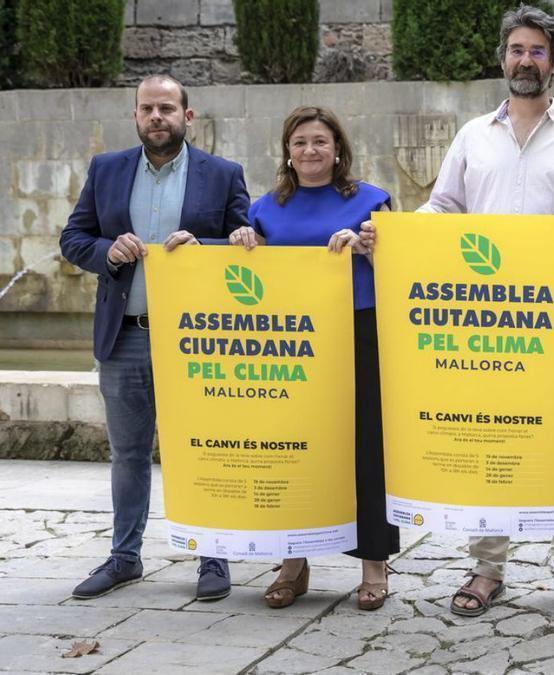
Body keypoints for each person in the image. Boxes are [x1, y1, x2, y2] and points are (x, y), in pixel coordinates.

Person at [361, 3, 554, 623]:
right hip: (483, 317)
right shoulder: (474, 135)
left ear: (553, 62)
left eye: (536, 51)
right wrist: (388, 237)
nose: (524, 60)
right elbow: (443, 207)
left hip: (552, 318)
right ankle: (488, 568)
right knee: (487, 430)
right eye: (515, 50)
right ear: (501, 59)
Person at [59, 74, 249, 601]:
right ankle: (124, 558)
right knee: (128, 453)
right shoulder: (107, 169)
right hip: (126, 336)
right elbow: (73, 238)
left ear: (187, 116)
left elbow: (248, 244)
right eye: (147, 109)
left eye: (167, 108)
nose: (156, 117)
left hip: (199, 342)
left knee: (208, 448)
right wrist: (105, 252)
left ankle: (214, 557)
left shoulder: (223, 174)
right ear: (136, 116)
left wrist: (204, 244)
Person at [227, 106, 399, 611]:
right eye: (300, 142)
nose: (310, 151)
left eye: (320, 141)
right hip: (291, 344)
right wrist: (240, 243)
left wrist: (371, 246)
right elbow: (246, 277)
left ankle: (374, 565)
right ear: (287, 151)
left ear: (338, 148)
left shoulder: (372, 201)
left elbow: (407, 263)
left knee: (366, 449)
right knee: (294, 449)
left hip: (358, 332)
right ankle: (293, 563)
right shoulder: (264, 209)